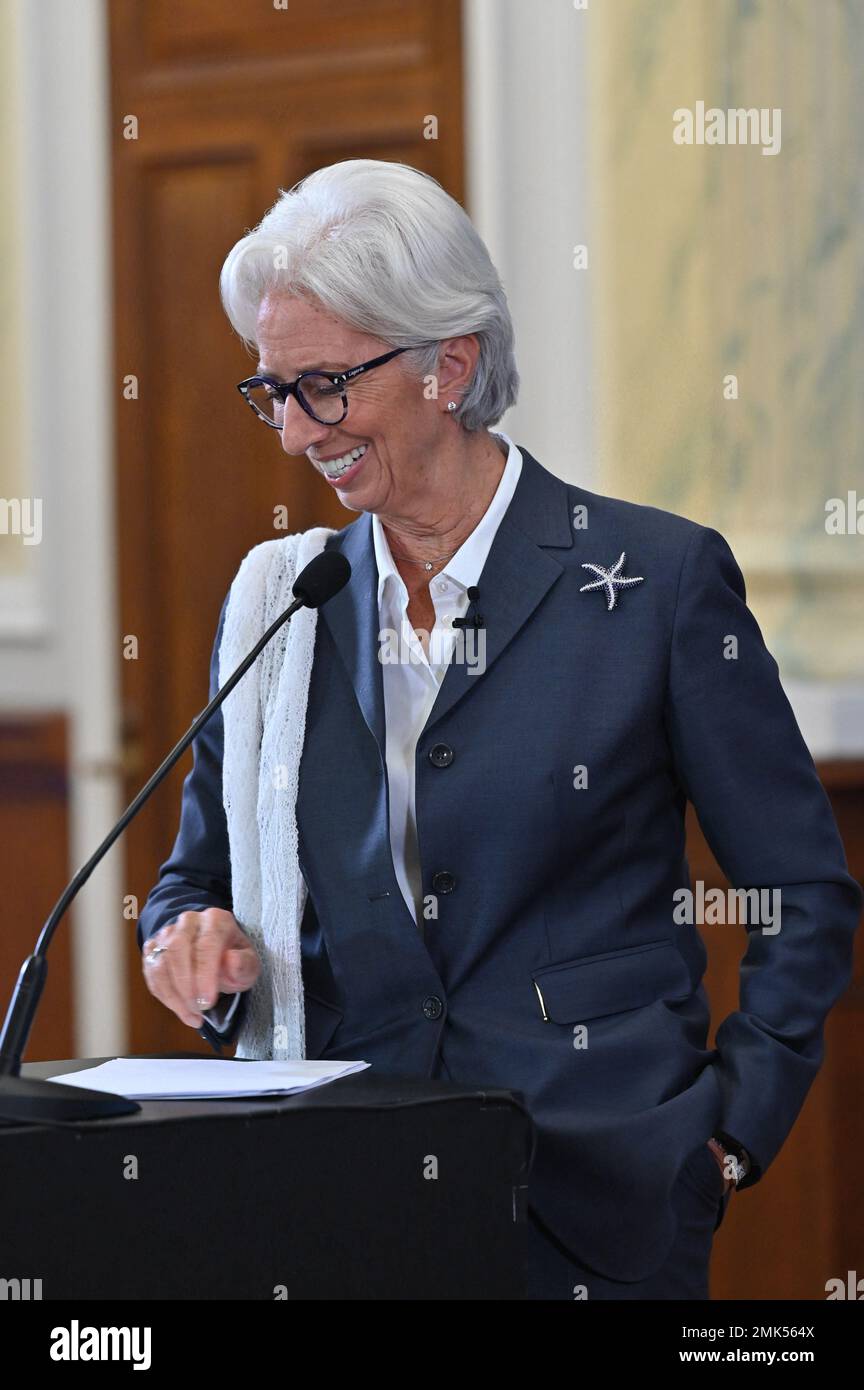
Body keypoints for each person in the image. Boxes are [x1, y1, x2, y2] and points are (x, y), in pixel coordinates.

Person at [137, 158, 862, 1299]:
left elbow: (804, 893)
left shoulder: (658, 583)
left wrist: (724, 1143)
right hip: (338, 1197)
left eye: (324, 385)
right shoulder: (282, 599)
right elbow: (191, 883)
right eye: (271, 391)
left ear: (449, 367)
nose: (291, 434)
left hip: (597, 1203)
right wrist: (190, 946)